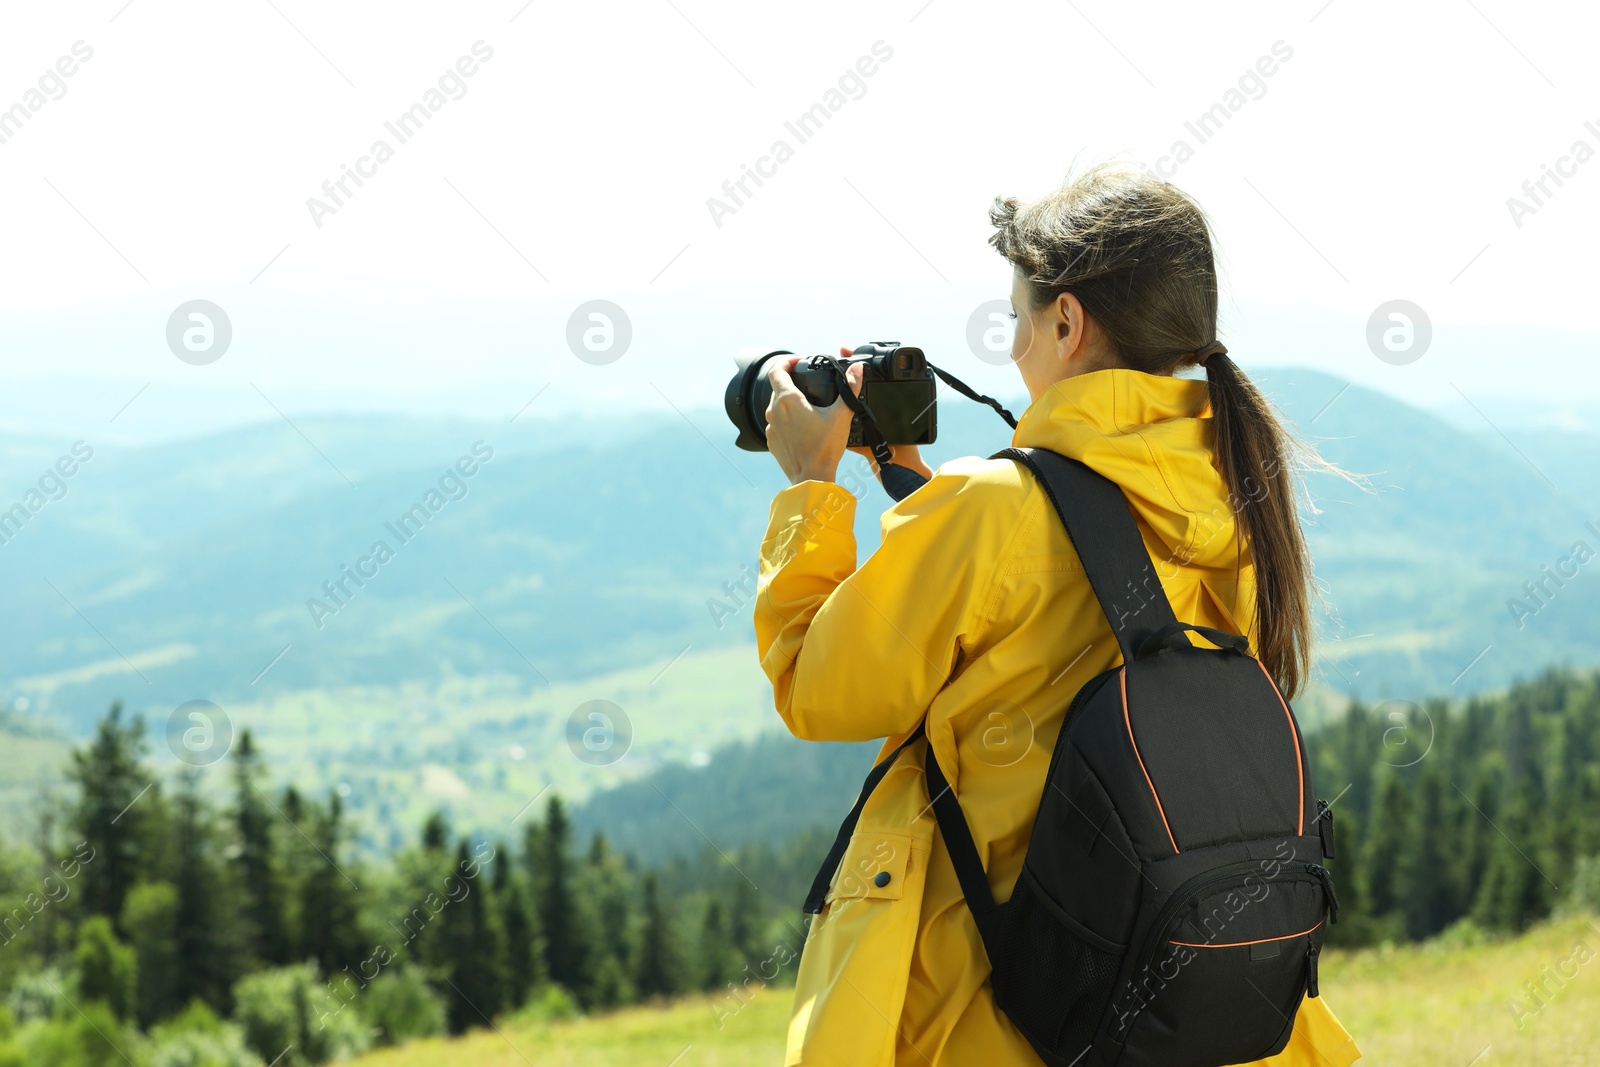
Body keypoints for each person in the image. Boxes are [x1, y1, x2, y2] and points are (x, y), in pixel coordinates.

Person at [753, 164, 1361, 1066]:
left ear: (1069, 322)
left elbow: (817, 687)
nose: (1013, 349)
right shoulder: (1238, 498)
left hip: (992, 1011)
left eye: (1018, 319)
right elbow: (1066, 604)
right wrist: (916, 491)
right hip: (1178, 1012)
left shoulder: (991, 510)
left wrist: (810, 488)